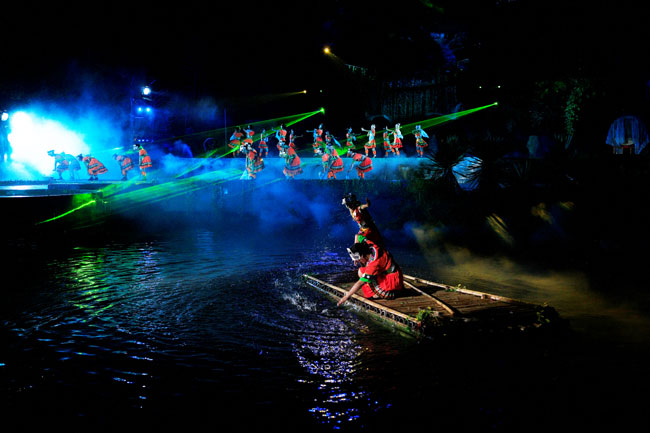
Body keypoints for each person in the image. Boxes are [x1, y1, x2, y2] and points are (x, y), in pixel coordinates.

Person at [337, 241, 403, 306]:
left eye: (359, 259)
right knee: (361, 270)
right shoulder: (371, 245)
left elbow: (360, 283)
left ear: (362, 256)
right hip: (393, 274)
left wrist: (346, 296)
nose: (358, 261)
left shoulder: (374, 264)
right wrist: (356, 259)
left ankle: (386, 292)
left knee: (366, 278)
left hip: (393, 281)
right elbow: (360, 238)